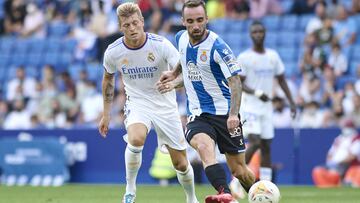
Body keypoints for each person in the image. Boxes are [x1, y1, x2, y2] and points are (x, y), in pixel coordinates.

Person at [98, 3, 198, 203]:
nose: (132, 28)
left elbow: (185, 71)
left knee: (180, 164)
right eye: (126, 25)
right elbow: (108, 80)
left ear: (143, 22)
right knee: (135, 139)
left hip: (165, 105)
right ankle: (130, 190)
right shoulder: (113, 51)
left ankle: (191, 198)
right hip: (137, 102)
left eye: (135, 23)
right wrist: (106, 114)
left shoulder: (160, 44)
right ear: (120, 27)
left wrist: (174, 84)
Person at [156, 1, 255, 203]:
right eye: (190, 21)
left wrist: (234, 114)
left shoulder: (218, 47)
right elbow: (185, 61)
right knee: (203, 146)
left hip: (226, 115)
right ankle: (226, 195)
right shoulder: (180, 38)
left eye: (200, 20)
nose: (196, 26)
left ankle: (258, 195)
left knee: (240, 170)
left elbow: (235, 82)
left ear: (207, 19)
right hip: (198, 114)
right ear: (183, 21)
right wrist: (174, 74)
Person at [237, 21, 297, 182]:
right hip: (250, 106)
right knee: (255, 141)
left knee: (266, 146)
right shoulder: (244, 57)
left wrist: (291, 102)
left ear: (265, 33)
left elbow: (282, 80)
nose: (258, 34)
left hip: (266, 107)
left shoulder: (273, 56)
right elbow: (238, 83)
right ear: (250, 35)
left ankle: (266, 184)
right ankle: (236, 179)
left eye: (260, 31)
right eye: (255, 32)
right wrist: (256, 93)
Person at [312, 119, 360, 188]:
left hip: (348, 165)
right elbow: (330, 153)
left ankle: (345, 182)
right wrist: (330, 162)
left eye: (349, 127)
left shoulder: (356, 139)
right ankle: (328, 187)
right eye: (346, 127)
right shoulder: (339, 139)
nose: (347, 129)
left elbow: (352, 155)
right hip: (334, 165)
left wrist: (339, 162)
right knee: (318, 170)